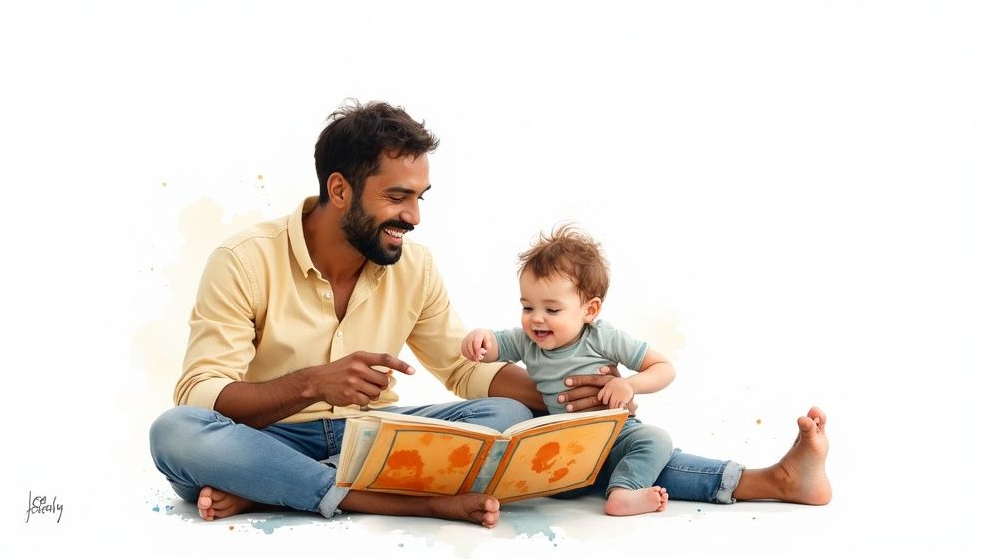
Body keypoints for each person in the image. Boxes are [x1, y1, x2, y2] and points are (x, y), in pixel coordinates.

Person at [149, 100, 832, 529]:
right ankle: (387, 502)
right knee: (175, 433)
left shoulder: (410, 266)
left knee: (510, 422)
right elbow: (203, 394)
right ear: (339, 189)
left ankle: (275, 494)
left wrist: (565, 396)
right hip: (275, 437)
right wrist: (310, 384)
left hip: (378, 441)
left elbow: (465, 373)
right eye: (397, 197)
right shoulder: (244, 260)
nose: (413, 216)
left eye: (421, 196)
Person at [461, 225, 675, 516]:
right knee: (553, 477)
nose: (536, 319)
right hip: (569, 445)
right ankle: (593, 483)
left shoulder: (603, 338)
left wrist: (630, 386)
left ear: (589, 310)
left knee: (655, 440)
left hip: (617, 433)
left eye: (551, 310)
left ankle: (623, 493)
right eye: (527, 307)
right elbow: (495, 346)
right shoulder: (527, 341)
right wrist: (479, 338)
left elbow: (664, 368)